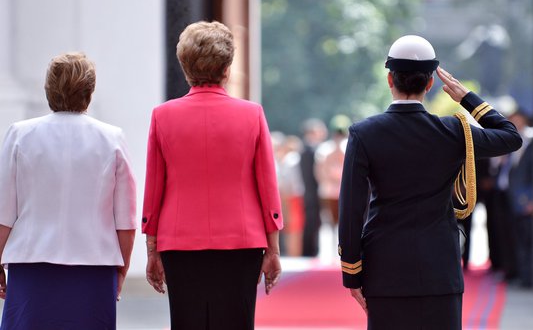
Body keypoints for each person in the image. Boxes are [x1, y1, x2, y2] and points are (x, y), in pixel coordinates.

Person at [338, 35, 522, 330]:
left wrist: (352, 273)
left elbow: (350, 210)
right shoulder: (453, 130)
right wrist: (467, 98)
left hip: (386, 268)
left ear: (389, 79)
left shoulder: (364, 133)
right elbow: (510, 136)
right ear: (430, 83)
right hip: (440, 267)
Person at [142, 21, 283, 330]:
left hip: (179, 242)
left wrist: (152, 249)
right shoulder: (252, 114)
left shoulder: (162, 115)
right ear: (227, 68)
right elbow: (267, 185)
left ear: (185, 67)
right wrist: (273, 249)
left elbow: (154, 186)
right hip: (242, 242)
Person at [0, 52, 137, 329]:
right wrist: (121, 270)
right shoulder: (112, 138)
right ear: (89, 91)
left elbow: (4, 212)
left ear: (48, 89)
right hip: (94, 270)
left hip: (31, 267)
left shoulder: (19, 134)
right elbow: (126, 221)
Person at [507, 109, 533, 287]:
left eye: (518, 121)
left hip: (529, 201)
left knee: (530, 239)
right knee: (519, 239)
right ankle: (523, 275)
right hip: (514, 200)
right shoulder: (511, 144)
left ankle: (531, 277)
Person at [300, 118, 328, 257]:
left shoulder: (307, 149)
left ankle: (311, 251)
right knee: (312, 222)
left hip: (310, 192)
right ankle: (310, 251)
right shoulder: (310, 150)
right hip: (312, 192)